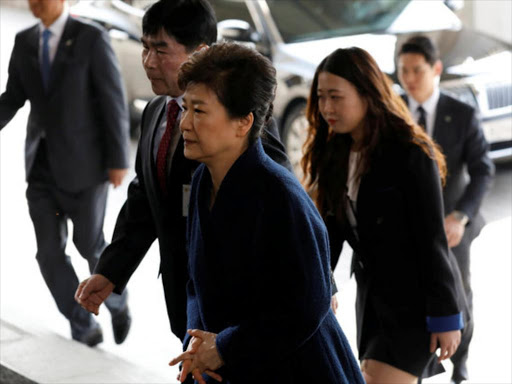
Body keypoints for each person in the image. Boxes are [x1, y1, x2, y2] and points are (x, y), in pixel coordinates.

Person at [75, 0, 291, 345]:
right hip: (183, 297)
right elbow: (146, 198)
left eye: (161, 50)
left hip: (236, 300)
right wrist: (110, 271)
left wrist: (321, 278)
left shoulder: (237, 120)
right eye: (145, 47)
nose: (148, 61)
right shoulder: (156, 112)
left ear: (201, 53)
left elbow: (284, 193)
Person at [166, 41, 364, 384]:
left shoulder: (280, 197)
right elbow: (195, 282)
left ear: (243, 122)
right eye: (185, 108)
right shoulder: (202, 180)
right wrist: (197, 342)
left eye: (199, 111)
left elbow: (306, 308)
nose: (184, 123)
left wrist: (224, 347)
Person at [301, 47, 466, 384]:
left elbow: (431, 241)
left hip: (415, 305)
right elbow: (329, 233)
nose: (327, 107)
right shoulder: (334, 154)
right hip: (373, 305)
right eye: (321, 97)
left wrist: (446, 316)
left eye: (336, 96)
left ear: (367, 94)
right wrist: (322, 286)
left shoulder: (411, 154)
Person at [0, 0, 131, 346]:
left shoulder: (91, 38)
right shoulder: (24, 41)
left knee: (90, 243)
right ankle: (82, 324)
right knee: (48, 253)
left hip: (85, 168)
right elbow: (12, 97)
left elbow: (113, 100)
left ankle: (117, 302)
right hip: (41, 168)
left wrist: (118, 160)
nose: (35, 3)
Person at [397, 35, 495, 384]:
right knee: (413, 296)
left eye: (417, 70)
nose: (409, 78)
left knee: (458, 295)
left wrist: (460, 216)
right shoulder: (393, 113)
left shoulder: (462, 113)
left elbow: (483, 170)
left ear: (435, 69)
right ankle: (416, 366)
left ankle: (461, 362)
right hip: (407, 227)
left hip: (453, 225)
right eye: (403, 70)